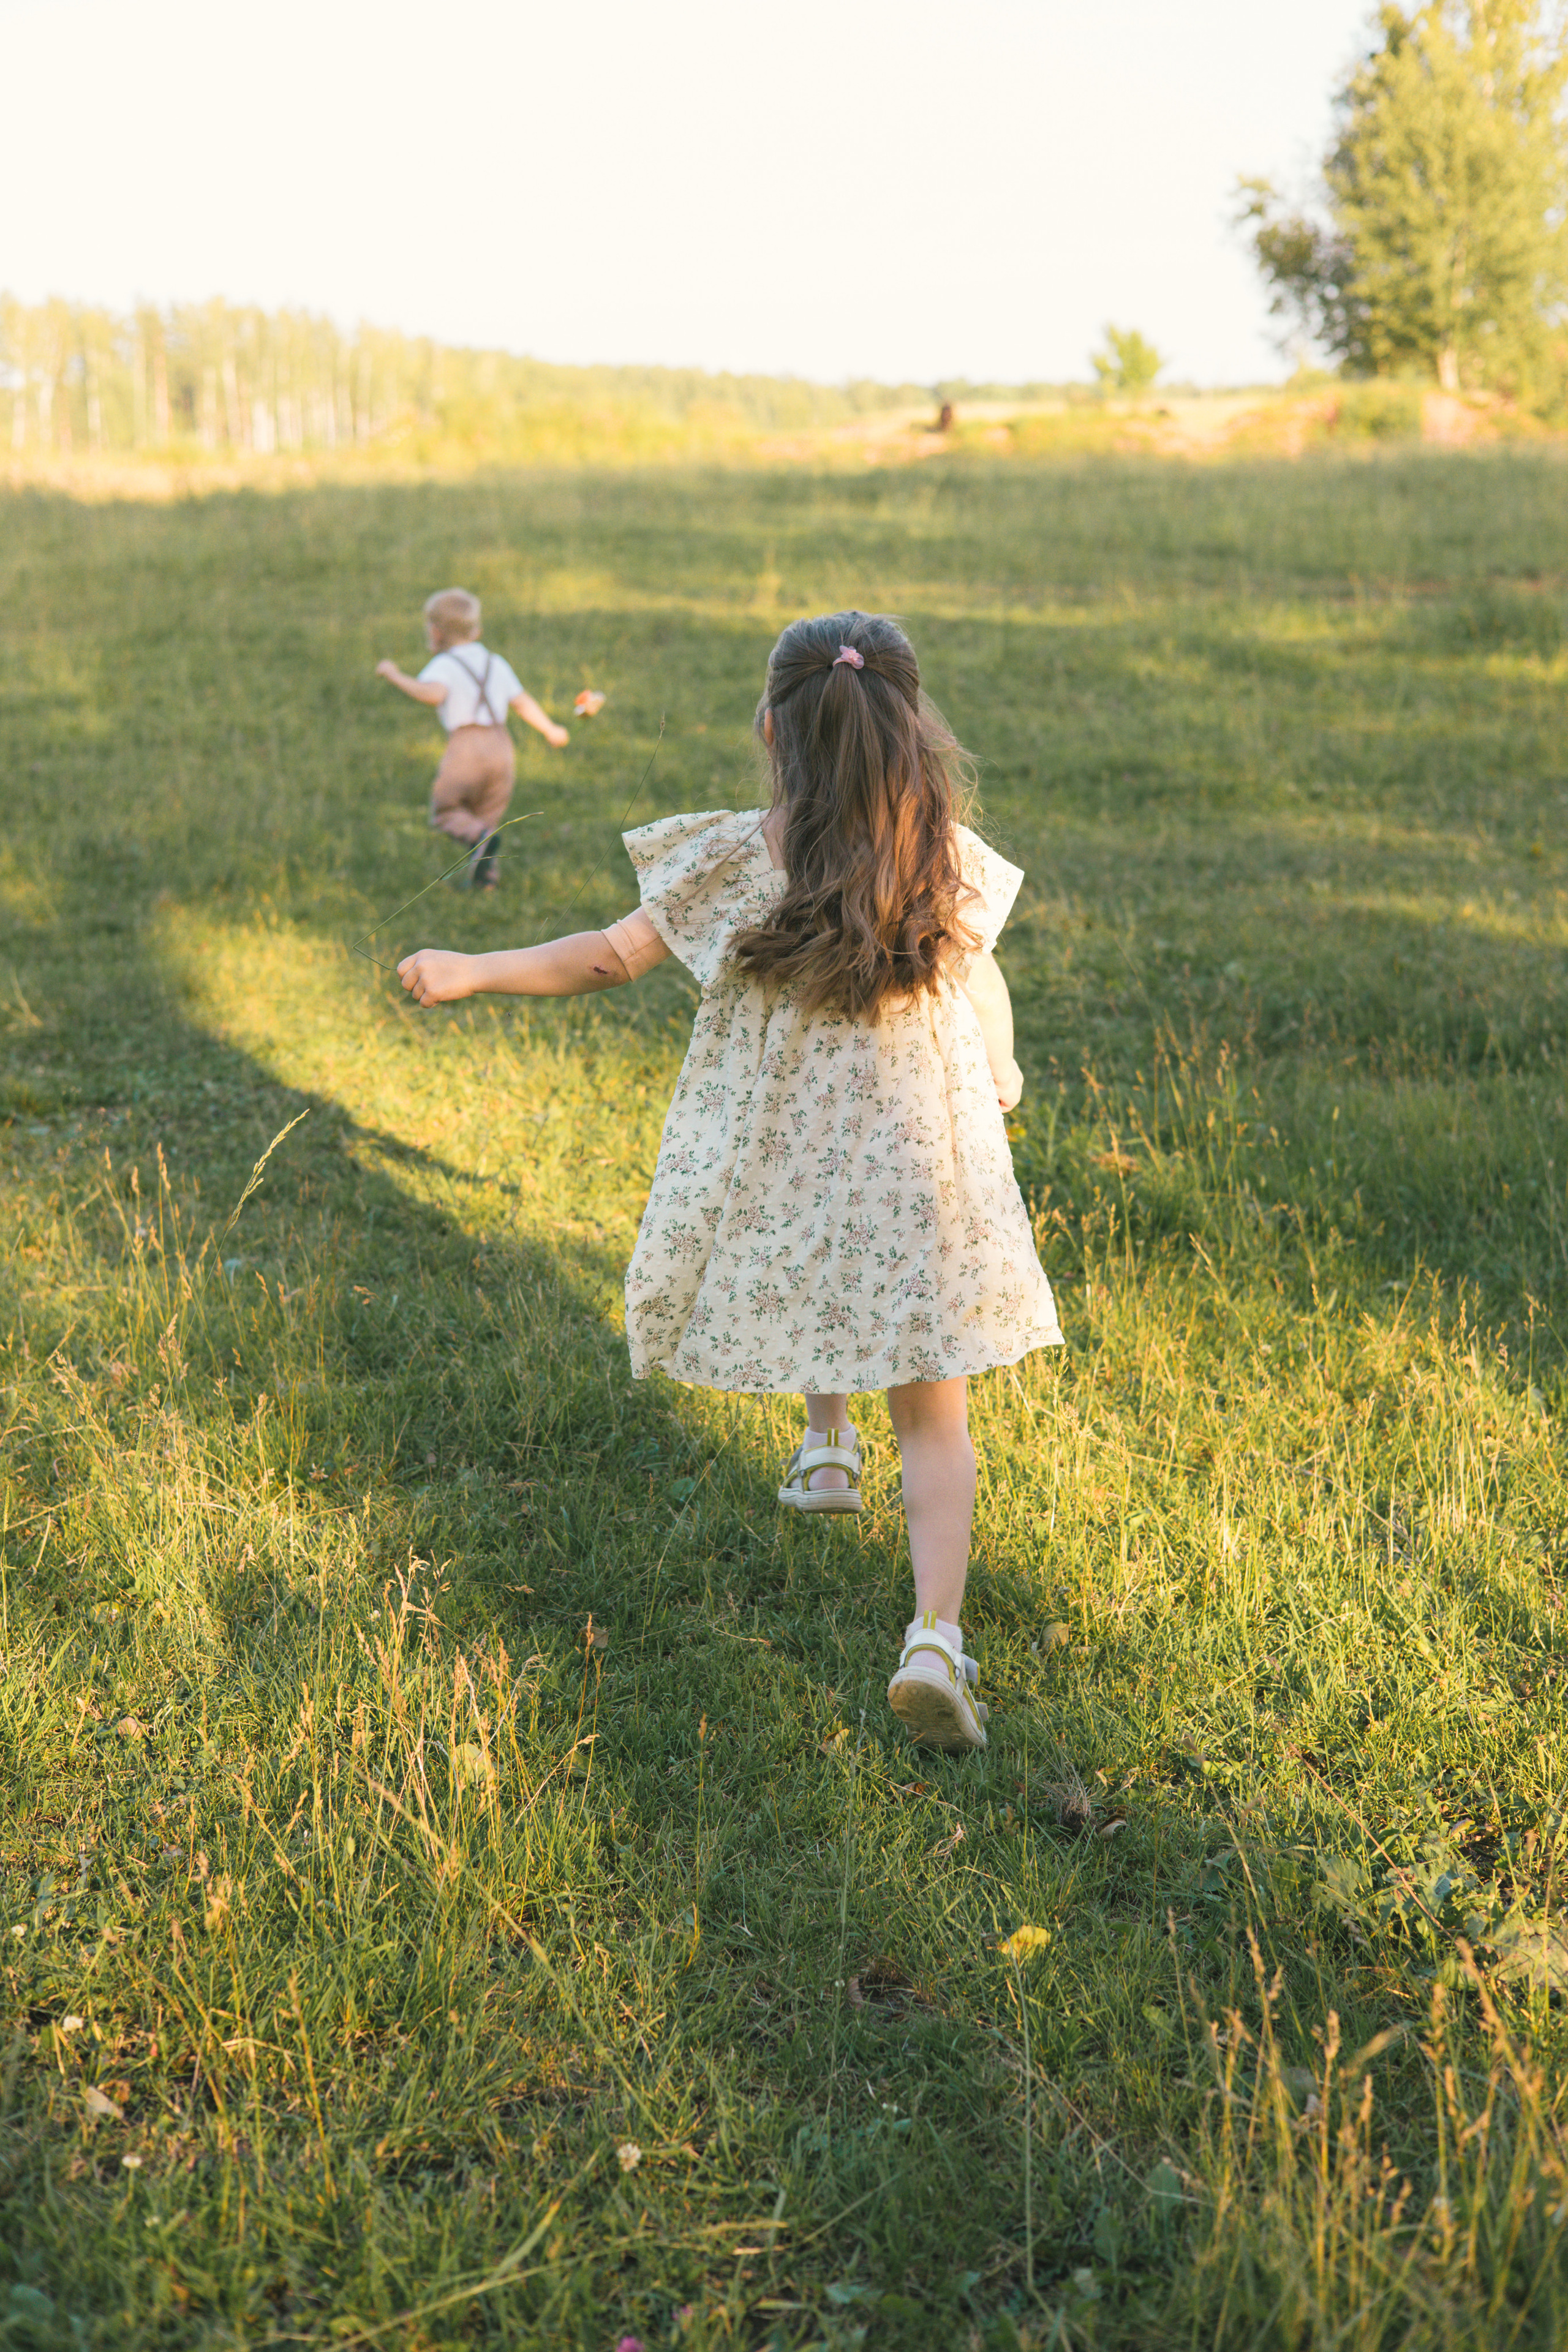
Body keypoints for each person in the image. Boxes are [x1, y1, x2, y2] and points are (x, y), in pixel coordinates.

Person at [397, 611, 1063, 1752]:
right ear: (912, 731)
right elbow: (981, 975)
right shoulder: (937, 854)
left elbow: (605, 956)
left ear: (771, 732)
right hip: (916, 1168)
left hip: (789, 1164)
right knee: (935, 1413)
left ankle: (823, 1444)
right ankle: (935, 1638)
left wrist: (473, 969)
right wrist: (999, 1059)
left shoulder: (736, 857)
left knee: (811, 1272)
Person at [375, 587, 570, 889]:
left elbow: (432, 694)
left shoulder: (445, 665)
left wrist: (395, 675)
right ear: (476, 629)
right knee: (487, 817)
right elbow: (521, 702)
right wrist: (550, 729)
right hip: (501, 747)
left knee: (447, 812)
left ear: (436, 633)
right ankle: (486, 883)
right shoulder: (496, 662)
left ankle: (480, 841)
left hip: (466, 747)